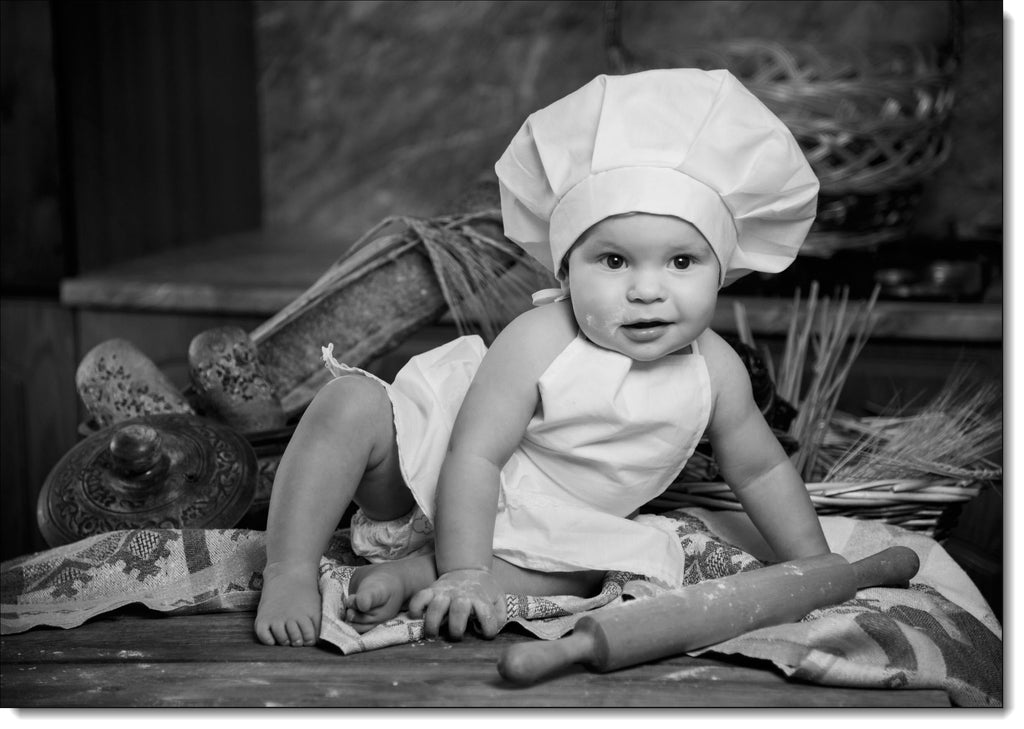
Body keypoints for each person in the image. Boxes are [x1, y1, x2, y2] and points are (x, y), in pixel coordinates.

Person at [254, 68, 830, 648]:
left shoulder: (717, 371)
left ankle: (415, 575)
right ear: (565, 271)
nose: (647, 290)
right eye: (614, 262)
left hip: (549, 535)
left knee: (592, 570)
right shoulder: (540, 339)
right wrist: (466, 569)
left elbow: (761, 470)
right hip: (430, 480)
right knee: (351, 403)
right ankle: (290, 568)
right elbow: (474, 455)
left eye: (682, 262)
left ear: (721, 272)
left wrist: (815, 563)